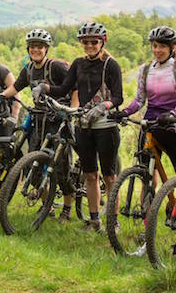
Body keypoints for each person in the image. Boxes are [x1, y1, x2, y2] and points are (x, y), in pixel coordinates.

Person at [42, 21, 123, 231]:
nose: (89, 45)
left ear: (102, 42)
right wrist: (44, 88)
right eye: (85, 42)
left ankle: (113, 222)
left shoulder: (111, 65)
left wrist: (105, 105)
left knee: (109, 176)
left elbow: (118, 96)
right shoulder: (78, 63)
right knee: (90, 174)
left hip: (106, 127)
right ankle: (94, 220)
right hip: (84, 126)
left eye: (94, 42)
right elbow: (63, 89)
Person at [1, 28, 73, 217]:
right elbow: (16, 86)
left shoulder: (56, 67)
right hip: (39, 120)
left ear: (46, 49)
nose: (36, 50)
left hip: (59, 120)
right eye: (33, 47)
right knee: (33, 165)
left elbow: (74, 87)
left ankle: (66, 208)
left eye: (40, 47)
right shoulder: (29, 69)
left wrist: (72, 110)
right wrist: (1, 96)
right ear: (28, 49)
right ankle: (47, 205)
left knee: (61, 166)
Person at [108, 26, 176, 176]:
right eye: (155, 46)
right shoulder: (145, 69)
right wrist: (125, 112)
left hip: (174, 128)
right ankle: (148, 200)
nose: (157, 50)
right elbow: (140, 100)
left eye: (162, 46)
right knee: (145, 173)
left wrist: (173, 113)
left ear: (172, 48)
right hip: (149, 125)